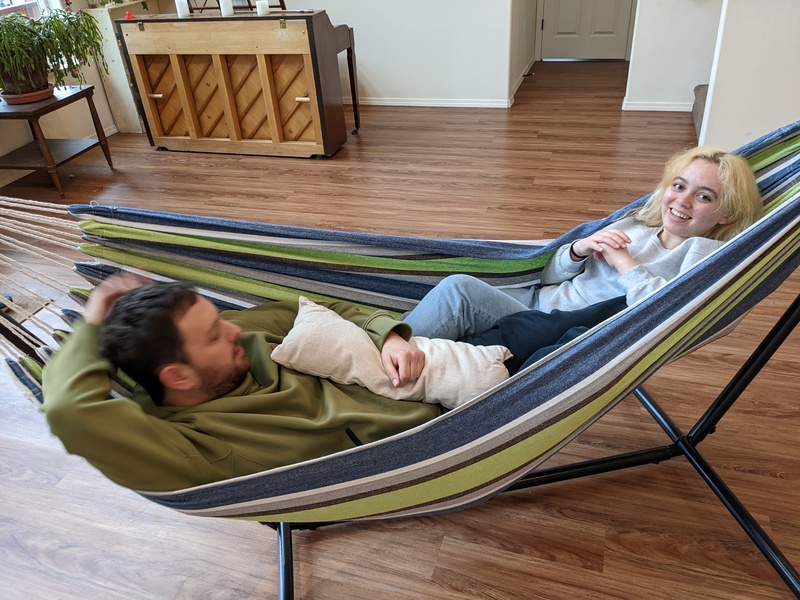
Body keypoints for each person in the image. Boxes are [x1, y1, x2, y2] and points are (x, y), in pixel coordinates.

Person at [41, 276, 441, 493]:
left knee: (462, 291)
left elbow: (320, 310)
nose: (233, 328)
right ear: (177, 376)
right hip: (440, 432)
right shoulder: (191, 446)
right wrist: (92, 320)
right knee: (491, 318)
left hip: (405, 361)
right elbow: (69, 411)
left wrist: (388, 336)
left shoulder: (240, 338)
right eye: (213, 335)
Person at [402, 146, 764, 363]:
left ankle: (384, 355)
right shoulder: (636, 226)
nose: (682, 201)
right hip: (534, 304)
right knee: (438, 296)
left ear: (727, 213)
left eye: (704, 196)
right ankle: (393, 347)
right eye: (679, 186)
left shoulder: (703, 256)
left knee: (457, 292)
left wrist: (625, 263)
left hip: (566, 335)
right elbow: (547, 276)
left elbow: (667, 314)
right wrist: (576, 251)